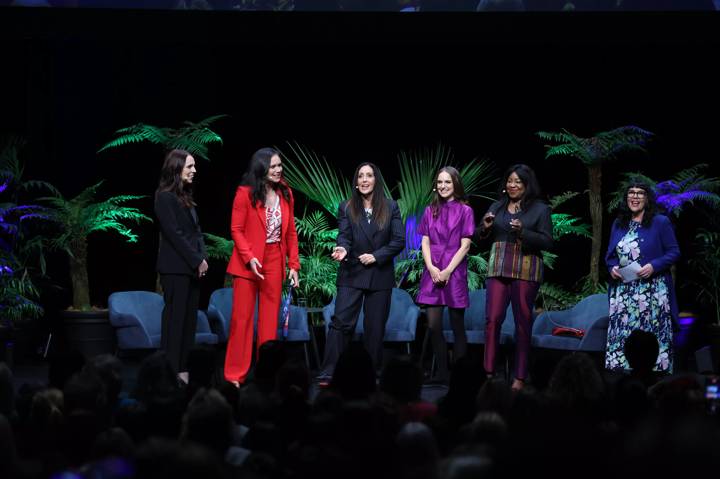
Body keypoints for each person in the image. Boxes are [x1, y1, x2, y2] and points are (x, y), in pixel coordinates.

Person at [317, 162, 405, 381]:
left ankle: (370, 374)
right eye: (360, 177)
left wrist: (376, 256)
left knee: (374, 328)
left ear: (376, 180)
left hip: (379, 274)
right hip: (352, 271)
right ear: (356, 183)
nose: (364, 180)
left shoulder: (391, 206)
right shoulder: (346, 207)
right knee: (341, 323)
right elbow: (344, 236)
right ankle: (330, 371)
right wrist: (342, 249)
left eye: (369, 176)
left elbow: (399, 240)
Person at [225, 147, 300, 386]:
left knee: (269, 323)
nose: (278, 170)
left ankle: (266, 375)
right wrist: (249, 256)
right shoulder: (245, 193)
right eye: (273, 166)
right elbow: (236, 229)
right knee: (242, 321)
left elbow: (290, 233)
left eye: (280, 166)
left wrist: (294, 266)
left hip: (274, 260)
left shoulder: (286, 193)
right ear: (261, 167)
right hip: (248, 264)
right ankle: (235, 375)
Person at [475, 164, 552, 391]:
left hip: (525, 268)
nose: (513, 185)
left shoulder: (540, 209)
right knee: (492, 319)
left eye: (518, 181)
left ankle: (519, 377)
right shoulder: (497, 206)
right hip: (498, 266)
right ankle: (488, 373)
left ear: (527, 185)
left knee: (522, 323)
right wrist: (486, 228)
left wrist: (523, 232)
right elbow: (479, 236)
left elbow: (548, 241)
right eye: (510, 181)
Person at [605, 180, 679, 373]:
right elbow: (610, 256)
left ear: (647, 198)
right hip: (624, 292)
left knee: (650, 334)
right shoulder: (619, 224)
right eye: (631, 193)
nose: (635, 197)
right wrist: (612, 268)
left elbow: (674, 252)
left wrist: (654, 266)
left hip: (652, 291)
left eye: (640, 193)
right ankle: (623, 373)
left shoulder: (660, 222)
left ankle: (654, 376)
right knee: (625, 334)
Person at [416, 166, 475, 384]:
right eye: (440, 182)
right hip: (432, 270)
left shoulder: (465, 210)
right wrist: (431, 267)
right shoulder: (429, 210)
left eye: (447, 182)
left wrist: (448, 270)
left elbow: (466, 245)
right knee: (433, 325)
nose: (443, 186)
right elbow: (424, 240)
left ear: (456, 184)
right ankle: (442, 373)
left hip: (454, 271)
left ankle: (459, 376)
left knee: (457, 325)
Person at [155, 149, 209, 383]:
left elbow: (196, 232)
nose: (194, 170)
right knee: (175, 322)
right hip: (175, 269)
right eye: (190, 166)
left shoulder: (185, 196)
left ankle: (184, 368)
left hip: (191, 269)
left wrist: (202, 257)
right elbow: (175, 234)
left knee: (189, 322)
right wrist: (196, 259)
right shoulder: (163, 197)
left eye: (194, 166)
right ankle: (171, 369)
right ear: (176, 169)